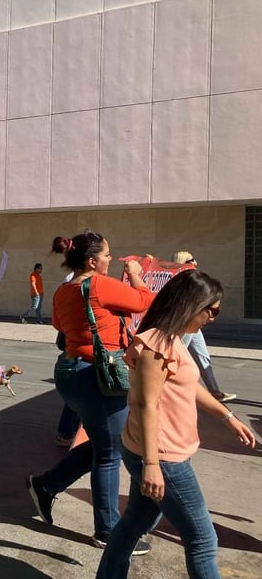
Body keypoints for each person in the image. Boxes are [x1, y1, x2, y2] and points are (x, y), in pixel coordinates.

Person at [96, 270, 257, 578]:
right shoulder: (157, 344)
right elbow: (147, 403)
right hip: (163, 456)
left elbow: (190, 385)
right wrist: (152, 464)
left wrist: (228, 417)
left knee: (132, 524)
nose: (213, 318)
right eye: (211, 310)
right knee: (203, 539)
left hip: (155, 452)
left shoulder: (170, 339)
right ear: (190, 304)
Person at [26, 231, 155, 552]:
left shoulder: (64, 289)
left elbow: (59, 325)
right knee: (110, 453)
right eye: (108, 255)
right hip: (100, 374)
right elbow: (145, 302)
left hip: (71, 372)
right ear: (92, 260)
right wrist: (137, 277)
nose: (111, 259)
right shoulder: (99, 284)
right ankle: (109, 531)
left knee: (103, 443)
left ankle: (46, 485)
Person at [171, 251, 236, 403]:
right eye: (192, 259)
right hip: (186, 322)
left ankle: (215, 391)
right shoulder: (182, 281)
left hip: (195, 324)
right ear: (185, 262)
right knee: (179, 356)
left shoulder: (194, 279)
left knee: (202, 355)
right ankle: (175, 386)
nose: (196, 262)